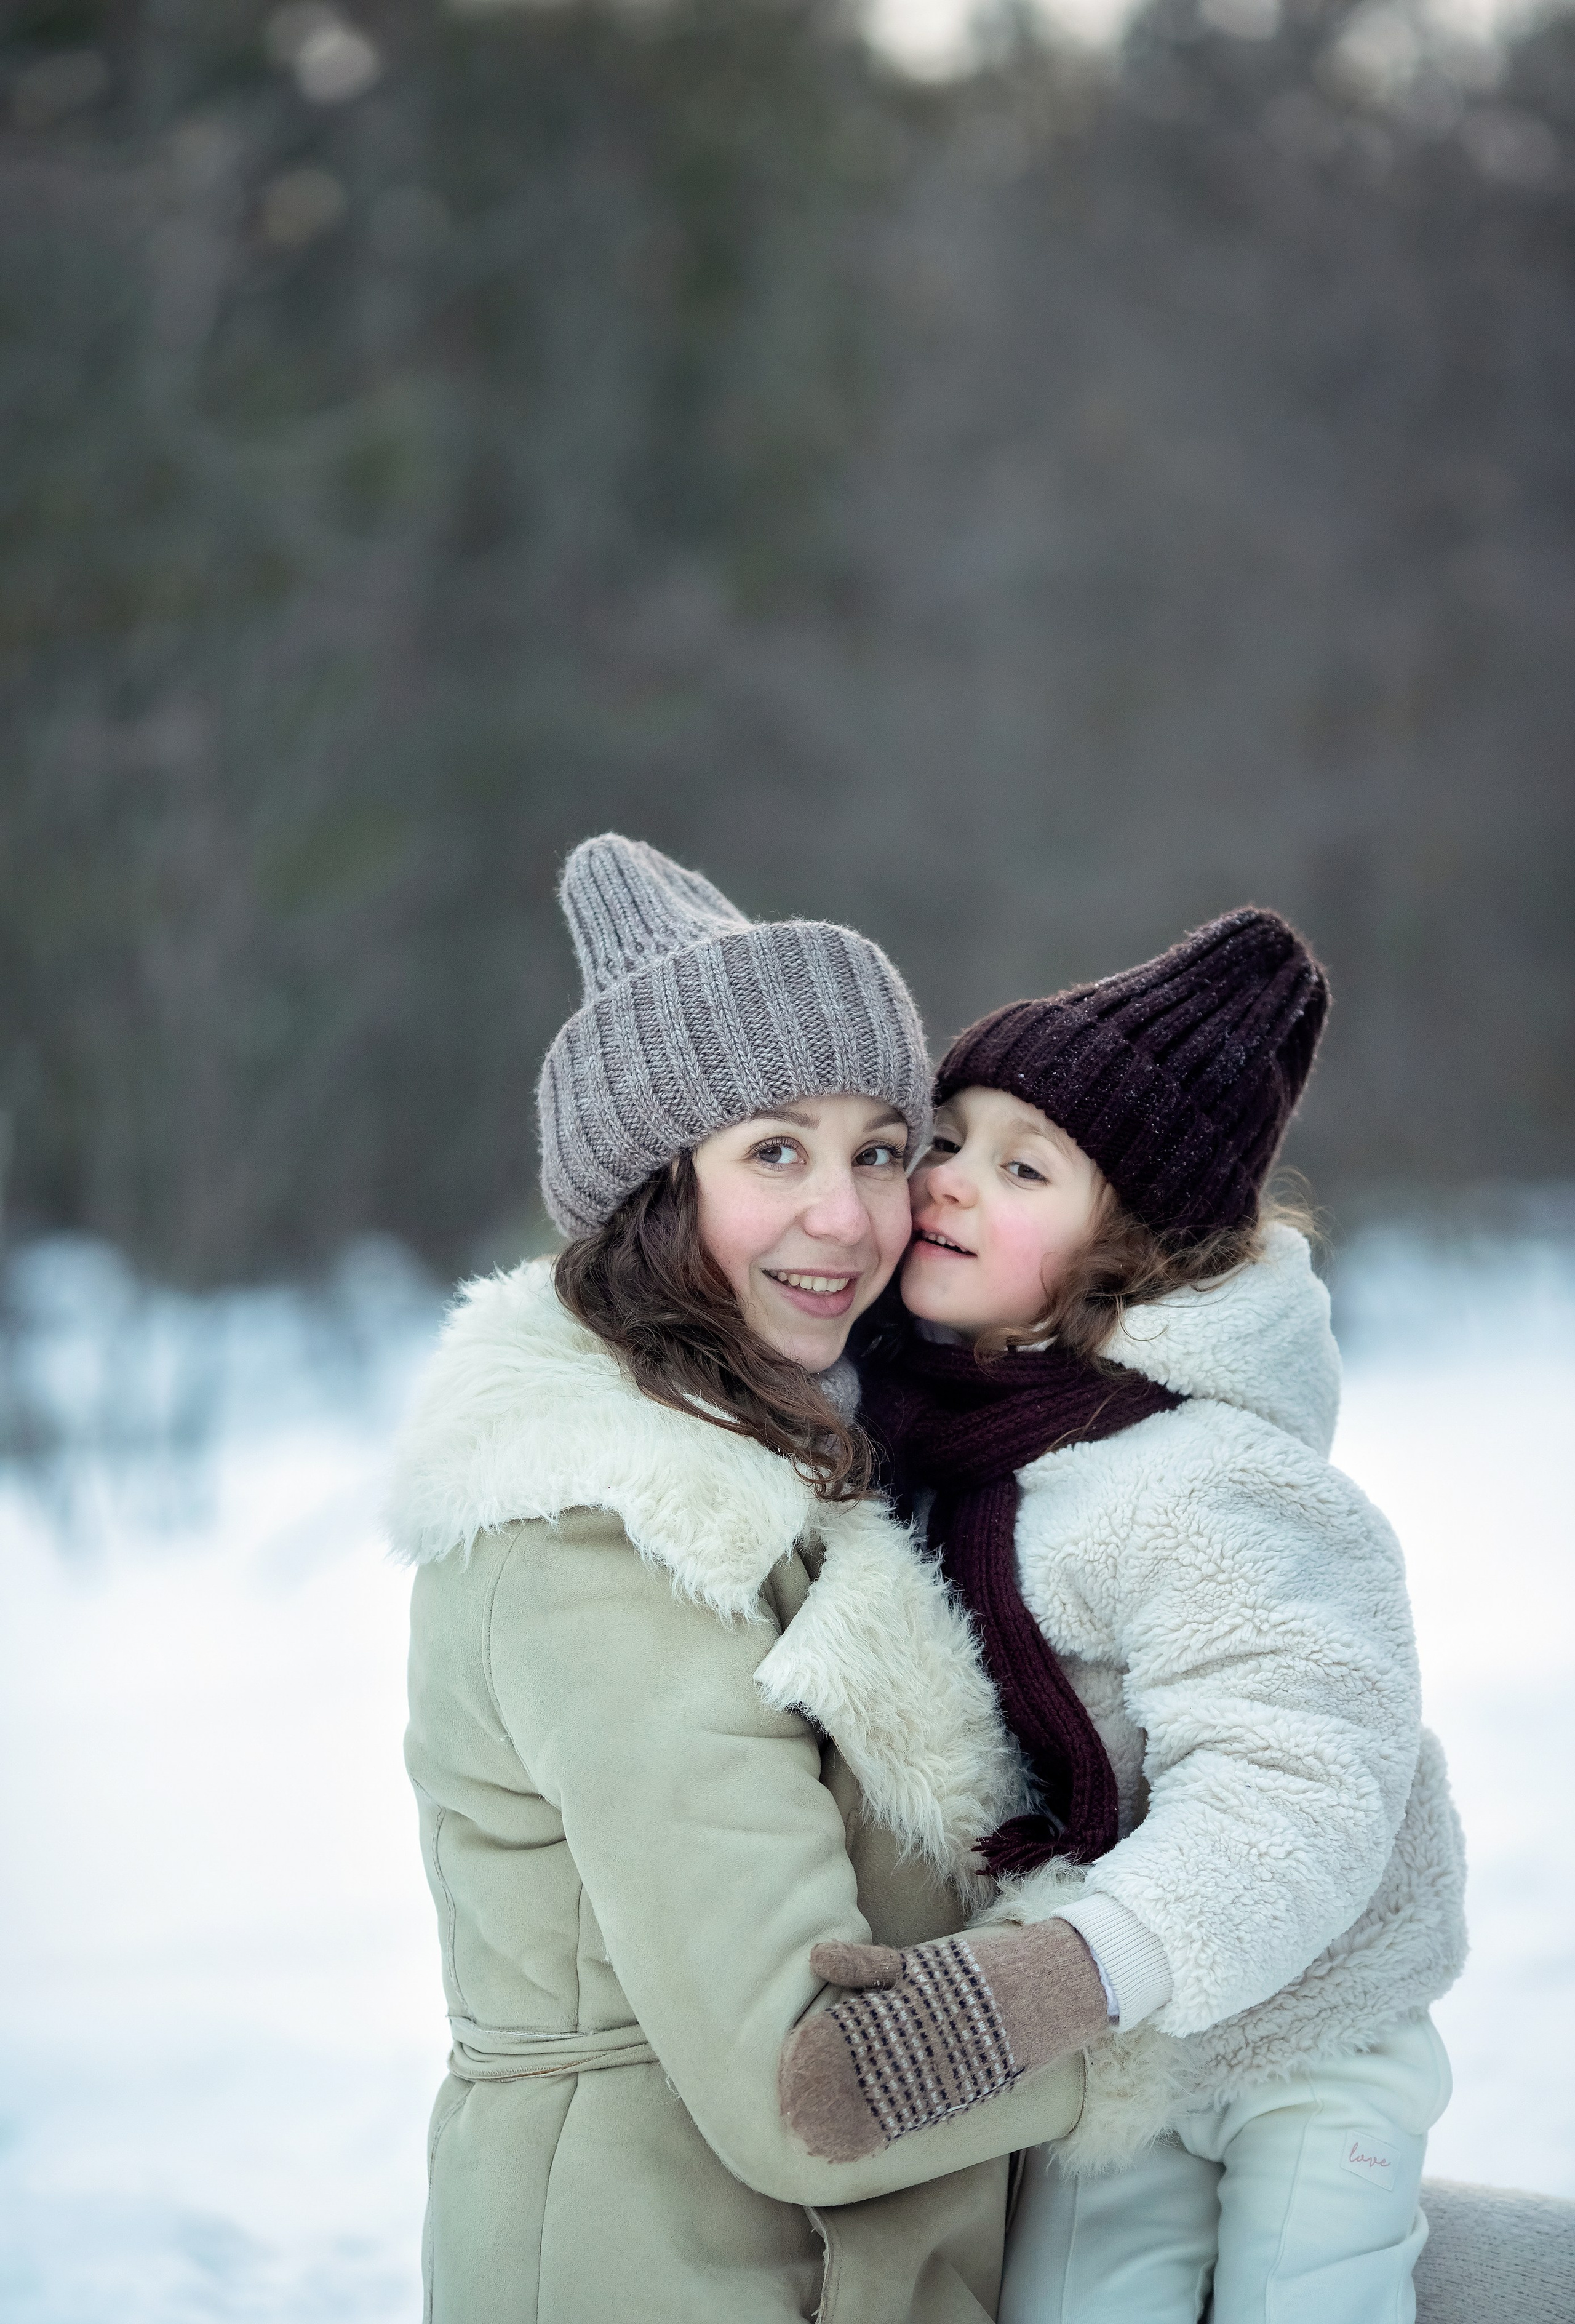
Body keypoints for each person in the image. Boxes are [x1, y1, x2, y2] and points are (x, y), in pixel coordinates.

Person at [388, 834, 1084, 2324]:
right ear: (649, 1193)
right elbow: (808, 2082)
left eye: (878, 1149)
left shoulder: (816, 1469)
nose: (847, 1218)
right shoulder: (604, 1538)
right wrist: (1161, 1969)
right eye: (773, 1150)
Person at [779, 908, 1469, 2324]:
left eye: (1021, 1165)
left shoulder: (1212, 1479)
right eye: (950, 1136)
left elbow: (1301, 1782)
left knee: (1306, 2299)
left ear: (1132, 1250)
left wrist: (1053, 1977)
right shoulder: (932, 1422)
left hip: (1304, 2027)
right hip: (1123, 2049)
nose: (952, 1181)